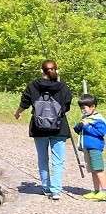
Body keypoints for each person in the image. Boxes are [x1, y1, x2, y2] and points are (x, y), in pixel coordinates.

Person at [14, 59, 73, 200]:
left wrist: (18, 112)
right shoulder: (62, 86)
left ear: (41, 71)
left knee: (42, 159)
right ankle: (56, 191)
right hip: (59, 128)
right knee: (58, 161)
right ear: (56, 71)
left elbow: (25, 102)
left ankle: (46, 188)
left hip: (38, 128)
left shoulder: (33, 86)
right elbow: (67, 106)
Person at [73, 94, 106, 200]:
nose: (83, 110)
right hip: (87, 148)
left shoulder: (98, 119)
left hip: (95, 148)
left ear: (92, 107)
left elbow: (101, 132)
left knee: (98, 169)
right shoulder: (86, 118)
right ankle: (96, 190)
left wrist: (87, 126)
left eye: (84, 108)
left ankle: (104, 191)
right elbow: (78, 130)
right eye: (81, 108)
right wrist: (79, 126)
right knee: (92, 170)